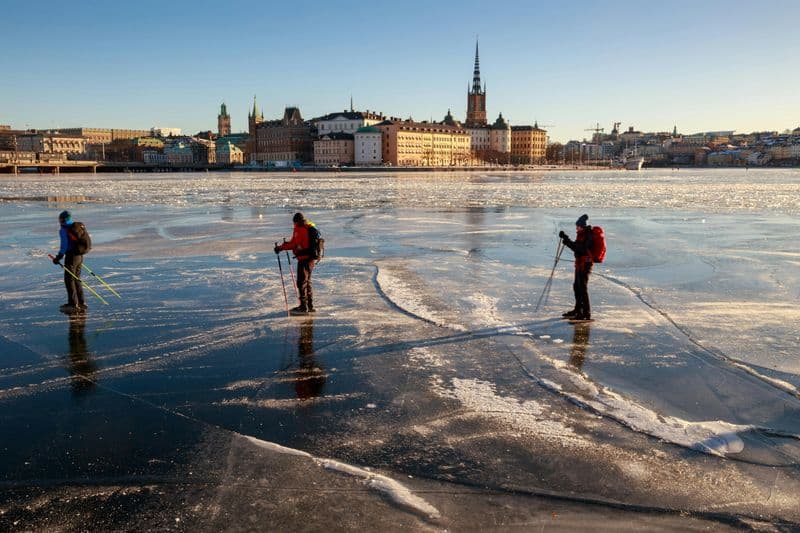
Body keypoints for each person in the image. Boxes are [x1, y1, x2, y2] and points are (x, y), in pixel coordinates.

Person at [275, 212, 316, 315]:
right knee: (307, 282)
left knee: (301, 282)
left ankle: (303, 307)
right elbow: (295, 242)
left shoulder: (299, 229)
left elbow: (294, 244)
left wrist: (280, 248)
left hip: (304, 259)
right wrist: (285, 245)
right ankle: (310, 306)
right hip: (311, 259)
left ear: (295, 221)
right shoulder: (307, 227)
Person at [559, 213, 594, 321]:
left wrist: (568, 241)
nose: (576, 228)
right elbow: (576, 247)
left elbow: (581, 249)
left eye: (578, 226)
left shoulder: (588, 235)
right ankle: (578, 310)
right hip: (579, 263)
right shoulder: (582, 233)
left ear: (582, 226)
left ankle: (586, 313)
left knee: (582, 288)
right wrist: (566, 239)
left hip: (585, 264)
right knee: (576, 287)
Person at [53, 210, 86, 313]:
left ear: (63, 220)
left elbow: (64, 246)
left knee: (69, 280)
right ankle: (81, 302)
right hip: (80, 255)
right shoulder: (78, 227)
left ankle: (73, 304)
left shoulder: (64, 229)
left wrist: (58, 257)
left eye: (60, 219)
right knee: (76, 279)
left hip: (71, 257)